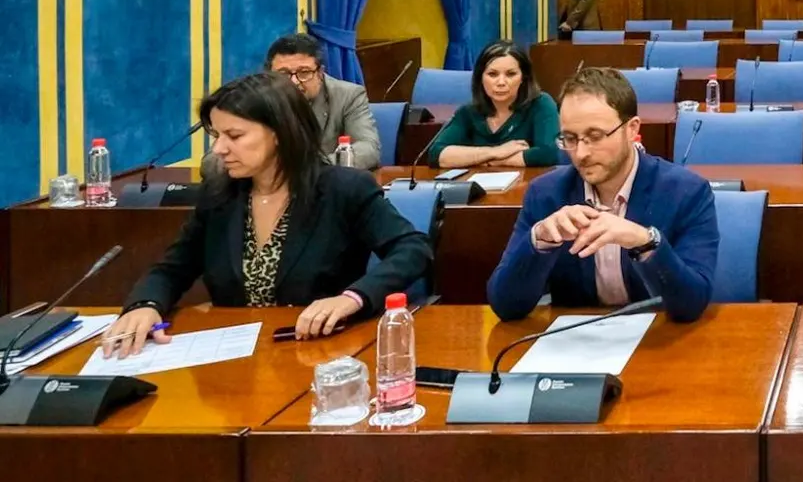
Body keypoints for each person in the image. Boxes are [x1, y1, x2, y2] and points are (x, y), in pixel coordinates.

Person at [101, 72, 431, 355]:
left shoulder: (343, 189)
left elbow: (413, 250)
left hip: (320, 351)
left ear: (278, 133)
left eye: (234, 136)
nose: (218, 149)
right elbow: (171, 269)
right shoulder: (219, 195)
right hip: (234, 359)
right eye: (217, 136)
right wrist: (145, 304)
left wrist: (352, 298)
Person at [488, 67, 717, 322]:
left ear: (632, 129)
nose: (581, 153)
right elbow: (506, 305)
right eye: (570, 138)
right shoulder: (546, 195)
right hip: (577, 345)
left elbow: (691, 303)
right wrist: (539, 242)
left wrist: (645, 242)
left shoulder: (687, 192)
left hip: (659, 342)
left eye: (595, 136)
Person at [204, 33, 380, 172]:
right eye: (284, 74)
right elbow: (211, 164)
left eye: (304, 72)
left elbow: (369, 149)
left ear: (320, 73)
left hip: (324, 188)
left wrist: (301, 170)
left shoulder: (348, 95)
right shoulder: (253, 100)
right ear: (268, 75)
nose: (294, 82)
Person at [422, 41, 560, 168]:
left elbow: (547, 154)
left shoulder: (540, 104)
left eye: (510, 74)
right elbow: (436, 154)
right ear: (480, 78)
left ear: (523, 78)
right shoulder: (469, 112)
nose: (501, 82)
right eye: (492, 74)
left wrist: (494, 161)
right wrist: (495, 152)